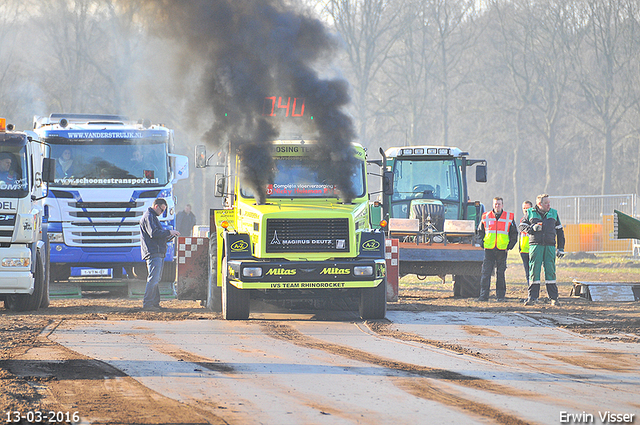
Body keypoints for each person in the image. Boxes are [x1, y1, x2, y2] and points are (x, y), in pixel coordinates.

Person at [519, 194, 565, 306]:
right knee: (534, 272)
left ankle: (554, 298)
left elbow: (559, 231)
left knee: (550, 271)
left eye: (549, 202)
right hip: (536, 245)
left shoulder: (553, 213)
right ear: (539, 204)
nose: (549, 205)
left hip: (550, 246)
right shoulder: (530, 212)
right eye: (546, 203)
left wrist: (561, 248)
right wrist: (532, 228)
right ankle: (532, 297)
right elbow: (521, 226)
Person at [140, 198, 180, 311]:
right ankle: (148, 304)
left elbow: (156, 235)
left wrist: (168, 236)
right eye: (162, 210)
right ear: (156, 206)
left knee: (155, 279)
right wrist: (169, 232)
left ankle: (154, 303)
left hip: (155, 251)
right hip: (153, 252)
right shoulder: (149, 217)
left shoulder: (152, 217)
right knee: (153, 279)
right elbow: (154, 233)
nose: (162, 213)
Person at [476, 197, 518, 302]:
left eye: (499, 204)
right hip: (489, 249)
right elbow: (479, 232)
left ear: (502, 205)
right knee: (486, 273)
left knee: (501, 274)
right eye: (495, 204)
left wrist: (509, 246)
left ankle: (500, 296)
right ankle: (483, 296)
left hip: (502, 250)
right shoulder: (485, 216)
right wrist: (482, 244)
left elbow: (514, 233)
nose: (497, 206)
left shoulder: (509, 217)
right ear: (493, 204)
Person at [519, 200, 533, 287]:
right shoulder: (522, 220)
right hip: (524, 251)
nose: (525, 210)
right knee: (527, 272)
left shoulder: (534, 219)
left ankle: (534, 290)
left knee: (533, 272)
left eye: (527, 208)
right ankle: (530, 288)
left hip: (533, 249)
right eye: (524, 208)